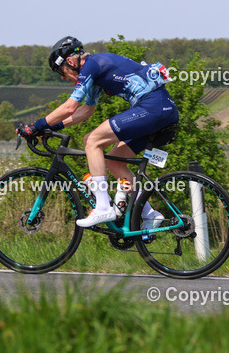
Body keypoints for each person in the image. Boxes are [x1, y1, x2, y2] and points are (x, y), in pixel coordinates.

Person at [17, 36, 179, 227]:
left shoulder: (92, 65)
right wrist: (52, 126)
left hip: (153, 108)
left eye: (62, 71)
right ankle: (150, 214)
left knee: (92, 140)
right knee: (114, 161)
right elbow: (85, 111)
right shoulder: (94, 72)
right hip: (159, 110)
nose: (62, 77)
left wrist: (36, 126)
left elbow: (70, 107)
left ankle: (102, 207)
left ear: (70, 61)